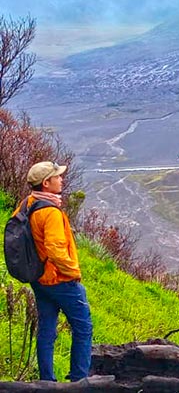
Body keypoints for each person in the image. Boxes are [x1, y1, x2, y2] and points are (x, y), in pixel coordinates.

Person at [17, 161, 93, 382]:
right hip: (59, 279)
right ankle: (80, 380)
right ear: (46, 182)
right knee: (83, 328)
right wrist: (73, 272)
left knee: (47, 331)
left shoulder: (28, 204)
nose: (62, 179)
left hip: (39, 279)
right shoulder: (50, 211)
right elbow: (55, 248)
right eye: (57, 177)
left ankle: (47, 382)